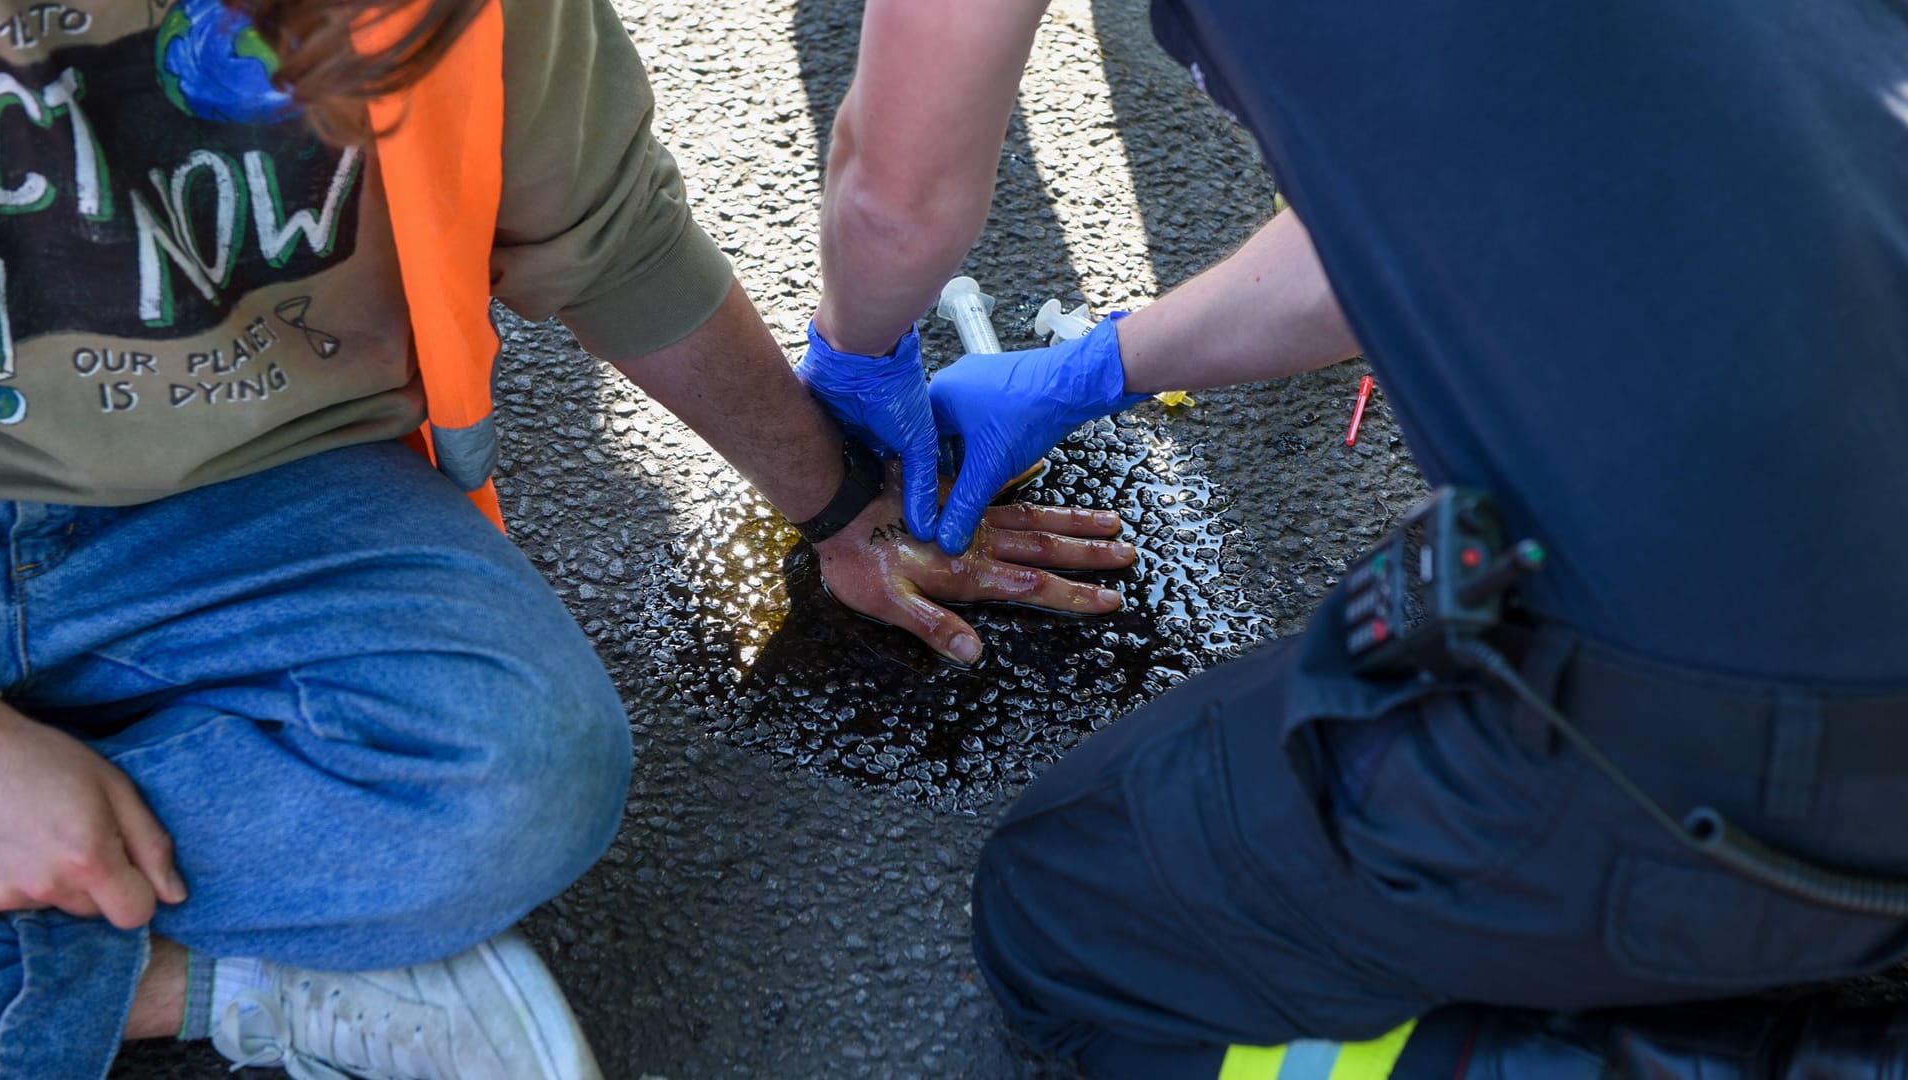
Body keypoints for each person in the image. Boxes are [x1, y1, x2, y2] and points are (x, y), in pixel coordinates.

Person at [0, 0, 1140, 1075]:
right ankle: (175, 984)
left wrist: (840, 503)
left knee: (519, 773)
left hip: (257, 486)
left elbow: (612, 236)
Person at [806, 0, 1908, 1076]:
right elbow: (1429, 204)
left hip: (1780, 710)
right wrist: (1102, 366)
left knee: (1069, 922)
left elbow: (893, 202)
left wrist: (855, 369)